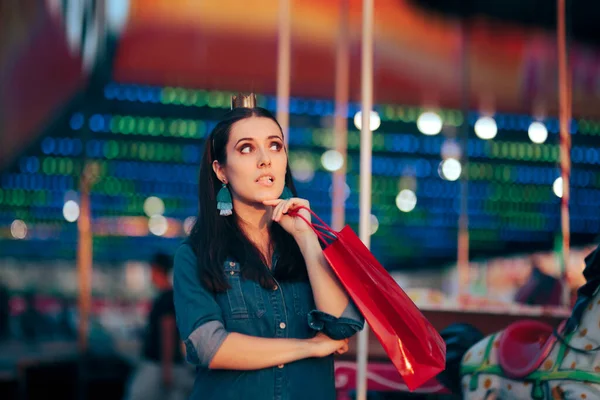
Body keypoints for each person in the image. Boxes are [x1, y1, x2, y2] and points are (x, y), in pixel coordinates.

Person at [173, 94, 364, 400]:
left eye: (275, 145)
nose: (265, 159)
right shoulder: (195, 254)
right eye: (246, 148)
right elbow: (210, 346)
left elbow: (342, 327)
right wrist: (309, 346)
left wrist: (305, 237)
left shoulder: (311, 243)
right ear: (220, 170)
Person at [125, 252, 194, 400]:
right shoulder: (172, 296)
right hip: (169, 364)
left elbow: (167, 331)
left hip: (157, 364)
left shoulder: (166, 298)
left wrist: (166, 368)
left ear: (156, 270)